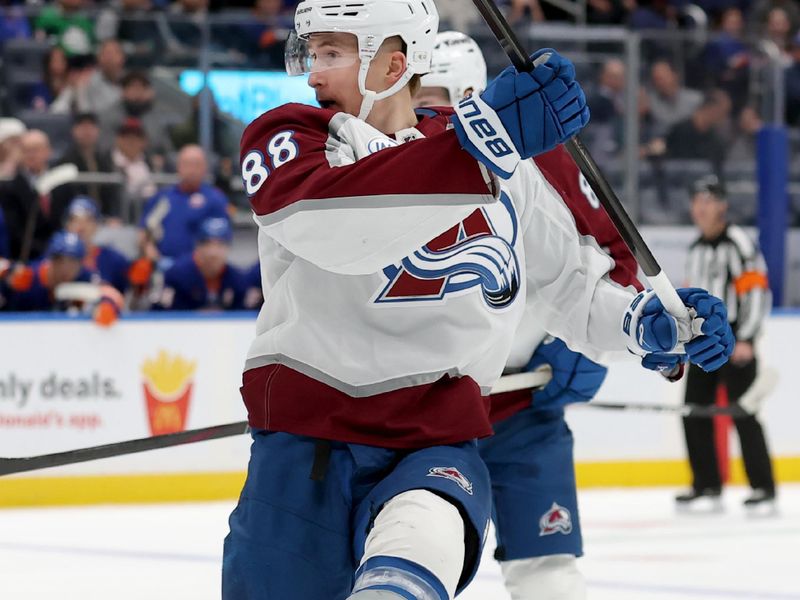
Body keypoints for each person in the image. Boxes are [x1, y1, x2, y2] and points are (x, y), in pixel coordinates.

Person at [223, 3, 733, 600]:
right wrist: (483, 145)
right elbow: (335, 229)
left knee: (419, 552)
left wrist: (641, 322)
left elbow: (570, 286)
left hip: (433, 443)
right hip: (303, 446)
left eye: (332, 54)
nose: (313, 73)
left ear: (393, 63)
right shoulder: (291, 139)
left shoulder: (500, 166)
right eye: (312, 54)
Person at [416, 31, 645, 600]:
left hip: (521, 412)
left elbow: (614, 259)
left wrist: (576, 343)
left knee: (549, 575)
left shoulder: (543, 157)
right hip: (419, 417)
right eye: (420, 92)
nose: (429, 109)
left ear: (475, 92)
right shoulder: (389, 157)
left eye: (441, 93)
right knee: (408, 572)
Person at [676, 176, 776, 510]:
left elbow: (757, 293)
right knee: (694, 411)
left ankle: (764, 488)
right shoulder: (695, 249)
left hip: (735, 338)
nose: (701, 207)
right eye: (697, 200)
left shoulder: (738, 244)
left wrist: (746, 337)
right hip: (702, 341)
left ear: (722, 206)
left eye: (708, 200)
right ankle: (707, 487)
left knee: (743, 413)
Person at [139, 144, 229, 265]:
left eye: (196, 164)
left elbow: (221, 239)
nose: (192, 170)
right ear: (179, 167)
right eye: (187, 164)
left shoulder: (215, 199)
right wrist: (151, 252)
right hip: (163, 266)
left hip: (201, 270)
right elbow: (145, 230)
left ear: (205, 168)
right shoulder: (163, 198)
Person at [0, 129, 78, 261]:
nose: (31, 155)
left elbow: (68, 221)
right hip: (26, 257)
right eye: (26, 150)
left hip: (64, 254)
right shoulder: (9, 188)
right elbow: (16, 232)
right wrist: (47, 251)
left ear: (48, 151)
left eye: (35, 150)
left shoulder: (63, 184)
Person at [154, 217, 246, 311]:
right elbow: (161, 315)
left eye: (220, 245)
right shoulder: (177, 275)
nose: (213, 253)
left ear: (228, 247)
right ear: (197, 246)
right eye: (207, 244)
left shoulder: (236, 279)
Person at [59, 112, 121, 219]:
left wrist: (112, 216)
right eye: (82, 127)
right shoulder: (65, 161)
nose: (87, 132)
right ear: (74, 130)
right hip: (75, 217)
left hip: (103, 218)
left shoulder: (105, 159)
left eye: (91, 127)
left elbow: (111, 194)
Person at [64, 196, 131, 293]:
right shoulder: (56, 258)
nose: (81, 226)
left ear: (97, 225)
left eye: (88, 220)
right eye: (75, 220)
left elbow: (127, 295)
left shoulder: (114, 259)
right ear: (67, 225)